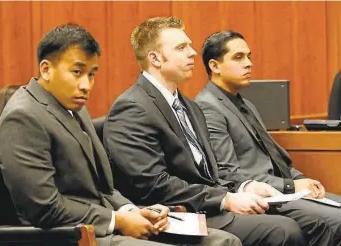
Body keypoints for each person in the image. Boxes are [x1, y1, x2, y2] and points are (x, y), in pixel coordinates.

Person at [0, 23, 241, 246]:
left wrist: (131, 210)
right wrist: (117, 219)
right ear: (46, 69)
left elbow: (103, 188)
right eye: (77, 72)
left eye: (91, 74)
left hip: (103, 222)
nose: (86, 85)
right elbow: (44, 208)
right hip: (68, 234)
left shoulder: (73, 108)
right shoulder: (23, 116)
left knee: (222, 241)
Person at [103, 16, 336, 246]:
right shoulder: (133, 108)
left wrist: (246, 186)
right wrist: (224, 199)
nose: (193, 53)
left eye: (190, 46)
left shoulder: (188, 106)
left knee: (315, 222)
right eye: (182, 47)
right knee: (283, 230)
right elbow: (154, 185)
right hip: (176, 213)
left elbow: (212, 171)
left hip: (209, 203)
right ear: (155, 58)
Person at [195, 30, 341, 243]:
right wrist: (292, 186)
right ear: (214, 66)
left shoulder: (247, 104)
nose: (248, 64)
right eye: (238, 57)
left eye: (248, 56)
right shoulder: (208, 107)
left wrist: (301, 180)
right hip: (260, 196)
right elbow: (229, 172)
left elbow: (275, 159)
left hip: (282, 190)